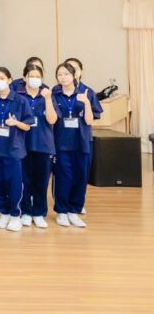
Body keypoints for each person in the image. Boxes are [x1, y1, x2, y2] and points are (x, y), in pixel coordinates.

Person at [0, 67, 35, 232]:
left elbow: (27, 126)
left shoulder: (20, 100)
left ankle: (15, 214)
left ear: (9, 80)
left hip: (13, 149)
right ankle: (3, 212)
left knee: (14, 183)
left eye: (1, 78)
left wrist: (16, 123)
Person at [51, 62, 95, 228]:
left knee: (80, 177)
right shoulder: (55, 95)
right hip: (61, 143)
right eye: (60, 74)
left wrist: (87, 103)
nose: (63, 77)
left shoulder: (86, 93)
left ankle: (74, 211)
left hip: (82, 142)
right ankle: (62, 211)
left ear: (74, 75)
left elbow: (89, 121)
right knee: (64, 177)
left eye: (66, 74)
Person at [20, 63, 56, 228]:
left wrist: (47, 99)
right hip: (23, 144)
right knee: (25, 181)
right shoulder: (19, 97)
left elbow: (52, 119)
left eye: (38, 77)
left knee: (41, 182)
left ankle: (39, 213)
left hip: (43, 144)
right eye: (31, 76)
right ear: (24, 78)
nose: (34, 79)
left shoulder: (48, 96)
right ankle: (26, 212)